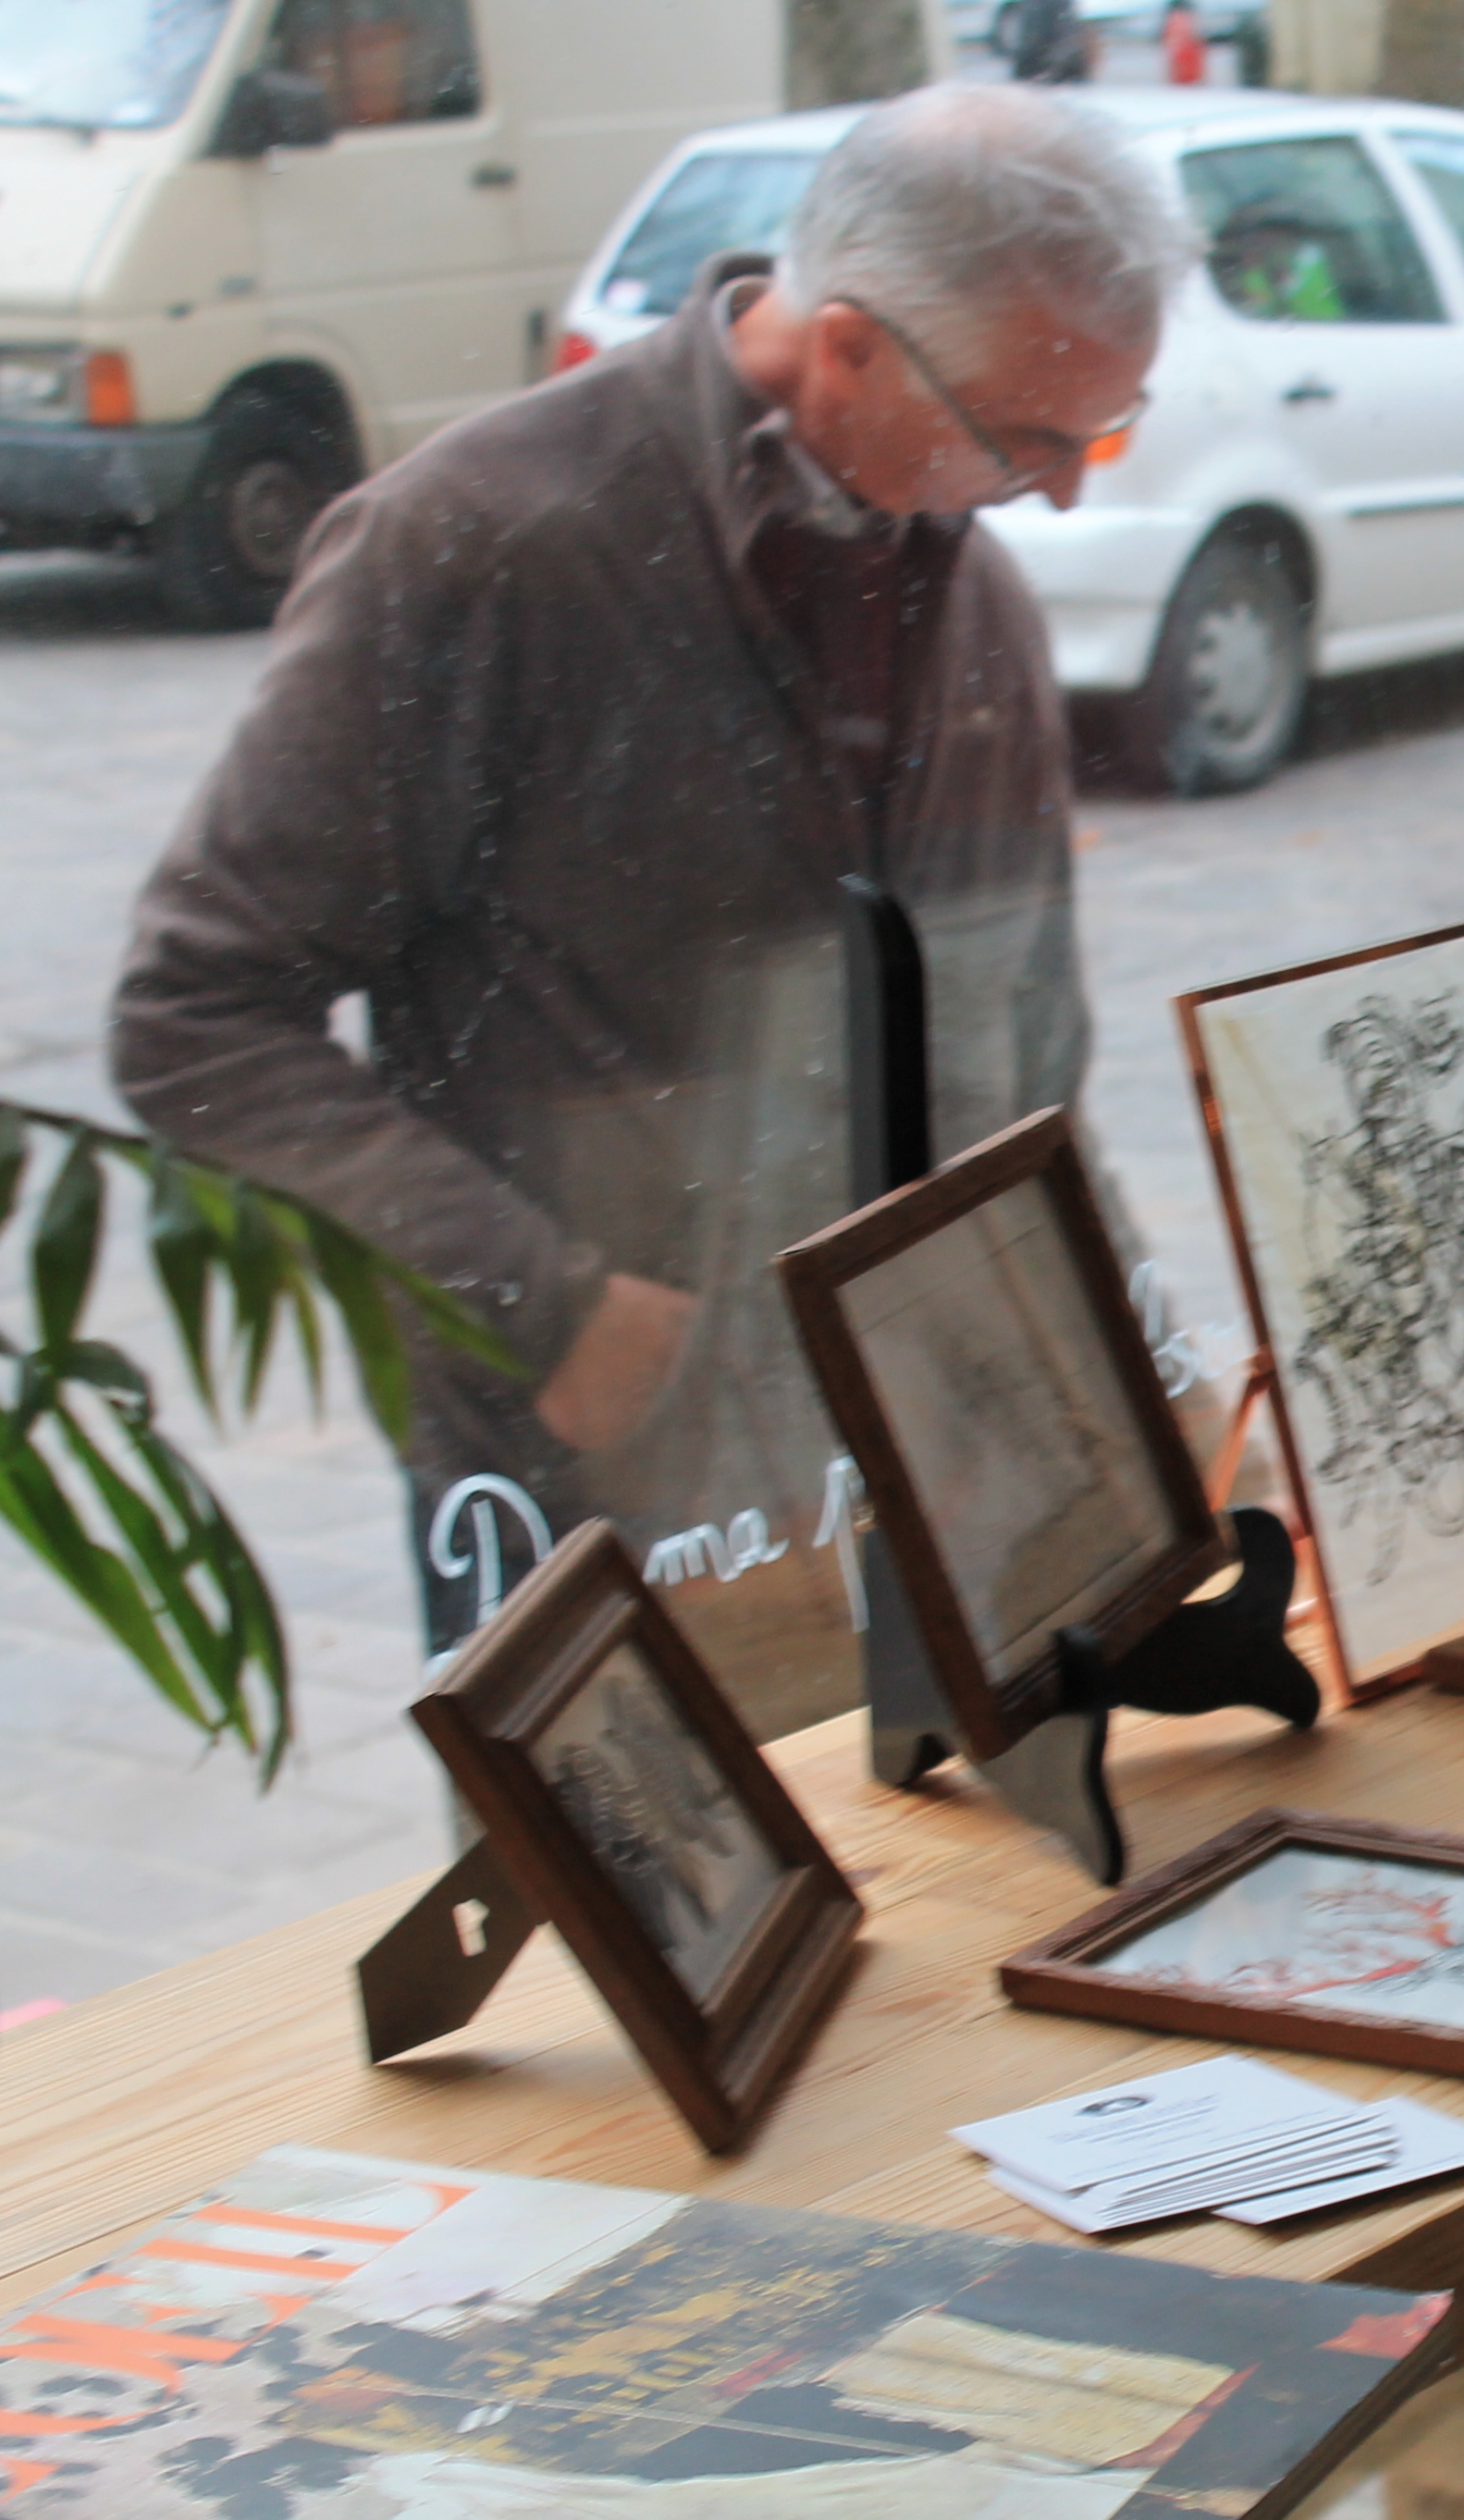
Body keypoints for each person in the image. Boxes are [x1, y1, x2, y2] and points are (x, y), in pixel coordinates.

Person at [109, 85, 1195, 1731]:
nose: (1058, 498)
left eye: (1101, 436)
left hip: (917, 1450)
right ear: (848, 350)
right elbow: (193, 1015)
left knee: (947, 1878)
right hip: (596, 1460)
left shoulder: (973, 598)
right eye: (1029, 437)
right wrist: (541, 1307)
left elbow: (1025, 1053)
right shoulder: (482, 544)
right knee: (643, 1895)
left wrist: (1117, 1380)